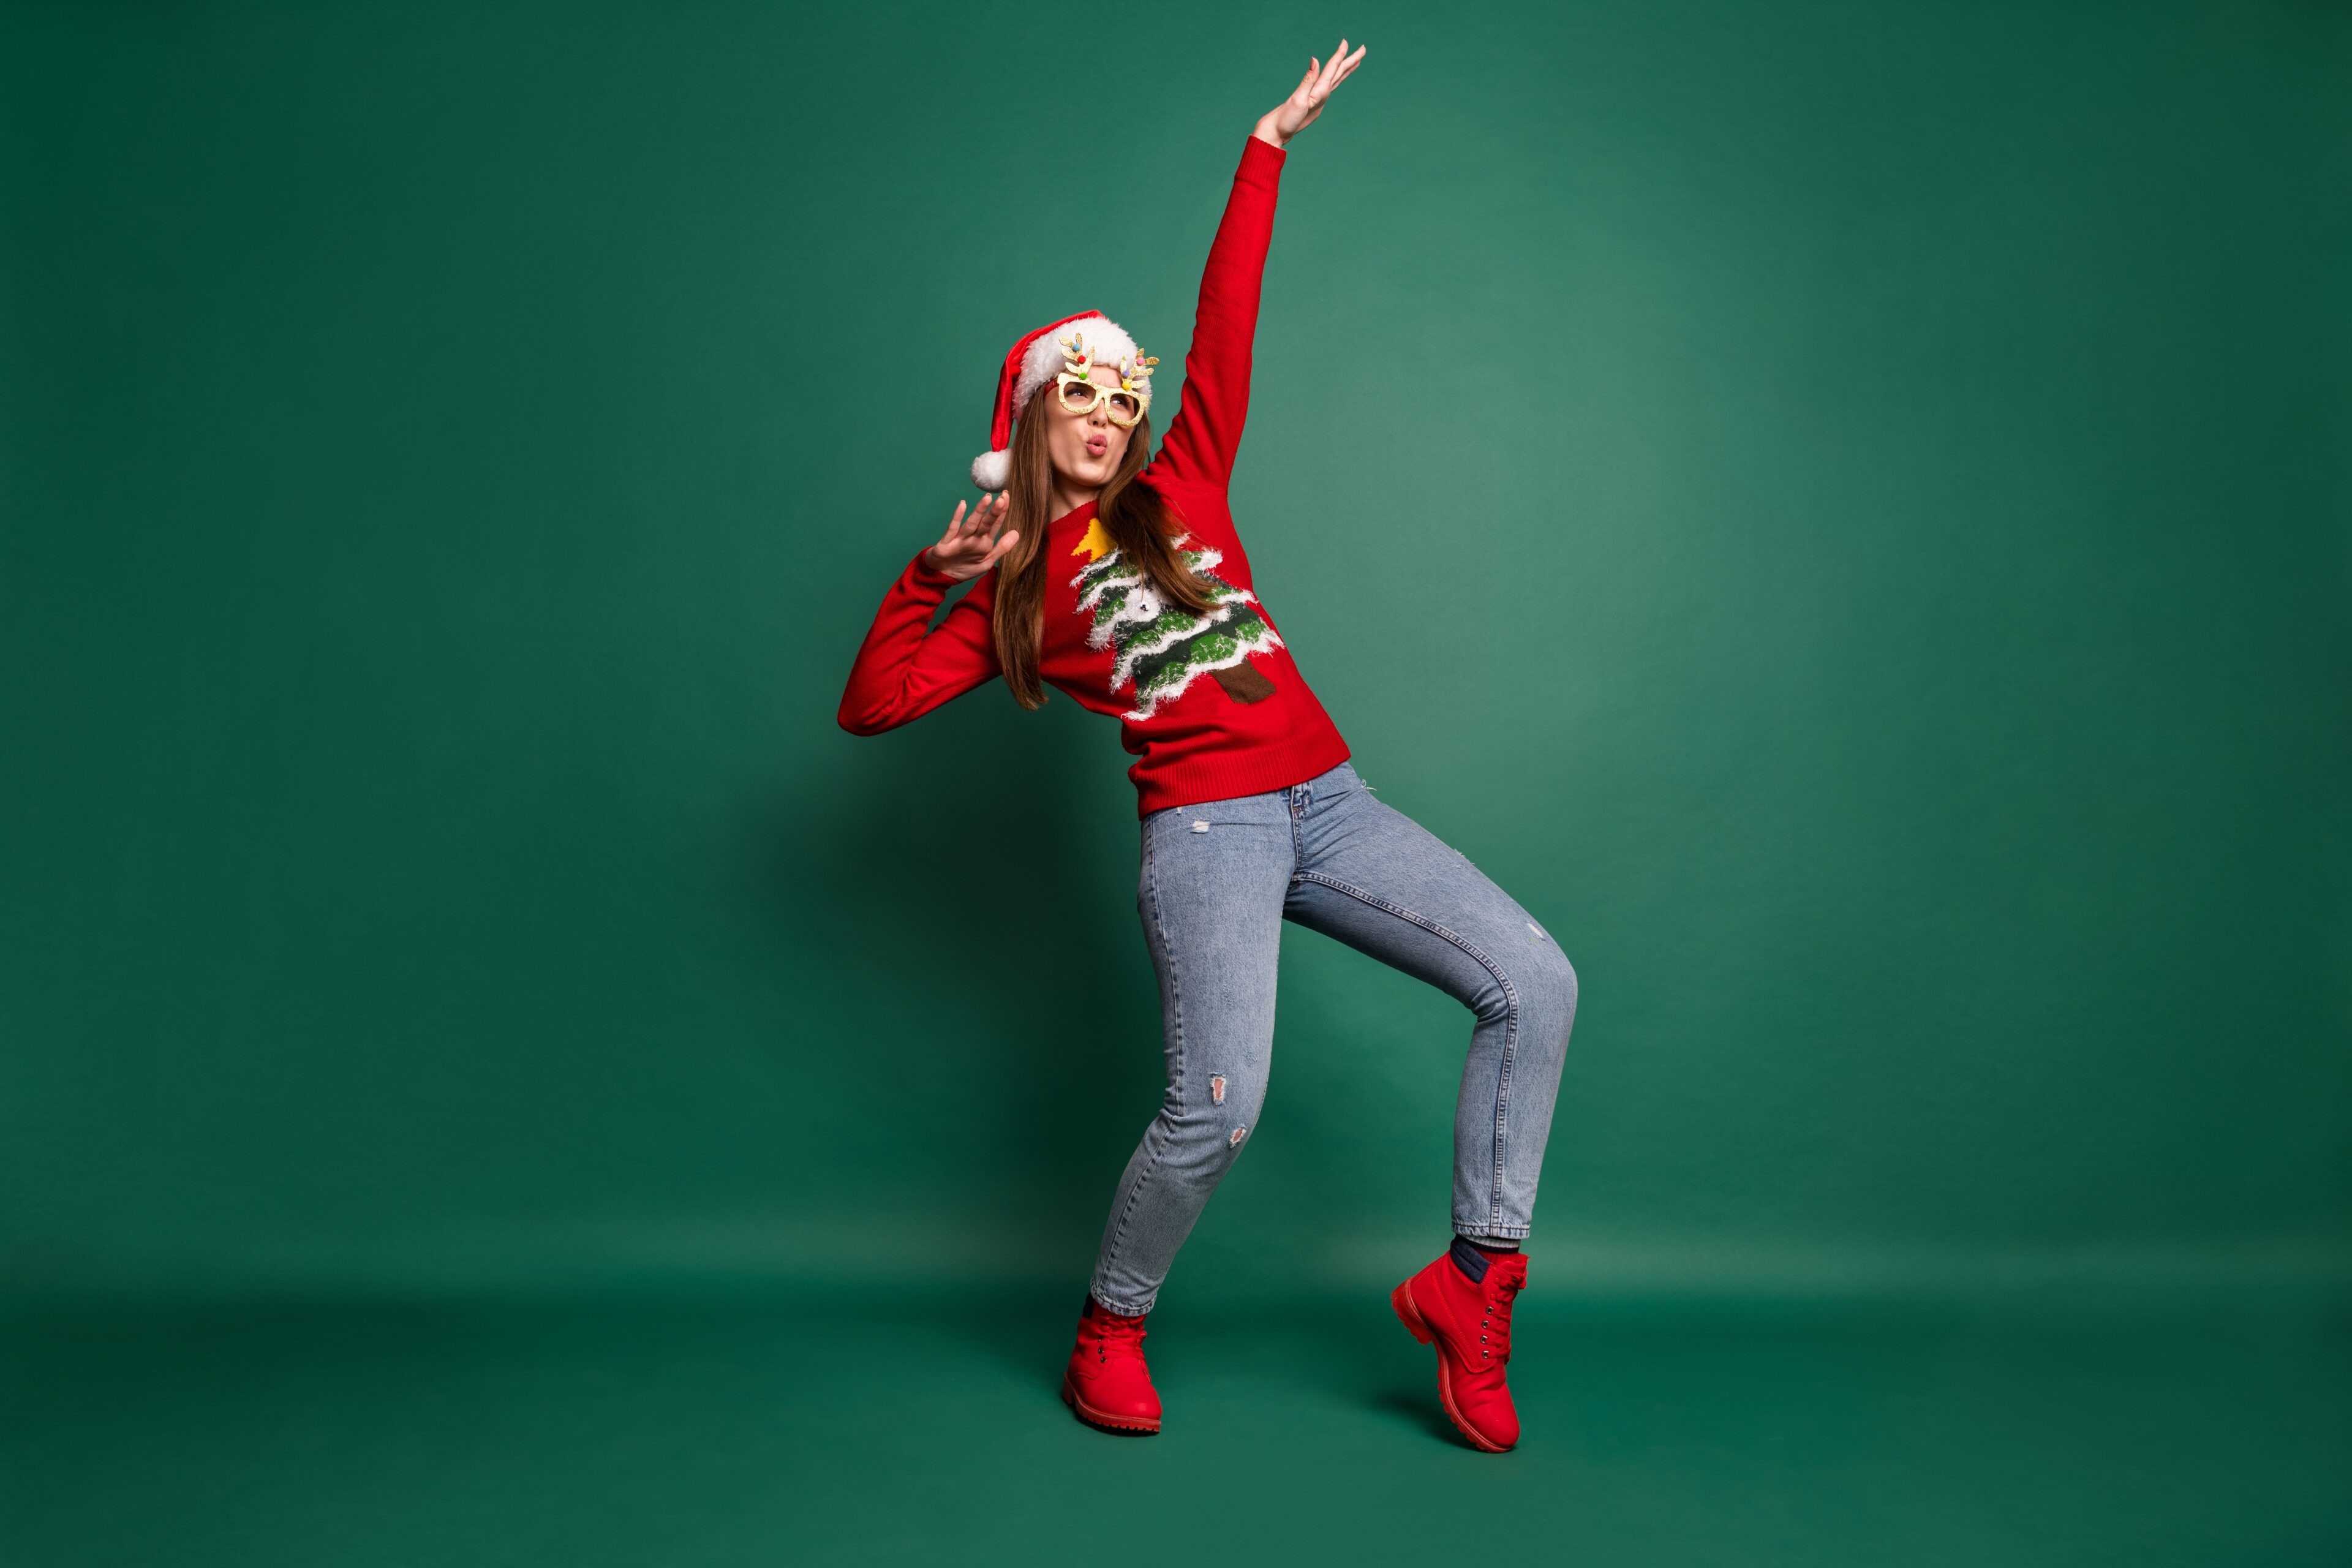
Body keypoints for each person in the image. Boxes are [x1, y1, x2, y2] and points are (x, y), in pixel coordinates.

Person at [834, 40, 1577, 1453]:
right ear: (1036, 417)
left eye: (1127, 395)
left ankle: (1474, 1283)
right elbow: (872, 706)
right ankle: (1109, 1323)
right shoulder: (1013, 593)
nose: (1115, 412)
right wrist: (930, 574)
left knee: (1535, 979)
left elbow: (1224, 320)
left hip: (1331, 799)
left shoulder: (1187, 484)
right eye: (1087, 394)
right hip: (1207, 831)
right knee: (1218, 1109)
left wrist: (1266, 148)